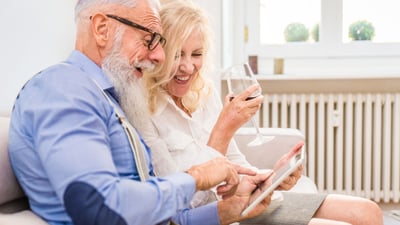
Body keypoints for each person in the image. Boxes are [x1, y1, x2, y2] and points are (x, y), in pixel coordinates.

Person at [8, 0, 276, 225]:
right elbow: (97, 205)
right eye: (149, 39)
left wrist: (228, 210)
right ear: (102, 29)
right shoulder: (62, 88)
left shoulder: (110, 99)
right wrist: (196, 178)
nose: (160, 55)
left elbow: (165, 214)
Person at [129, 0, 384, 225]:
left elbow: (236, 163)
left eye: (196, 54)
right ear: (160, 53)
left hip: (246, 203)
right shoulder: (144, 111)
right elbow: (182, 204)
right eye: (177, 55)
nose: (187, 66)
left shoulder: (204, 94)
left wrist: (270, 178)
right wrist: (223, 130)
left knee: (368, 212)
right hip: (219, 214)